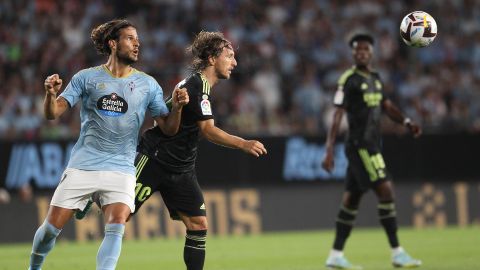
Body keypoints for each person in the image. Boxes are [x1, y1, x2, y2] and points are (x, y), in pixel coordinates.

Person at [90, 31, 265, 270]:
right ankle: (95, 193)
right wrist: (243, 143)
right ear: (212, 59)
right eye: (230, 56)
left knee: (198, 224)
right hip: (154, 160)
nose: (234, 63)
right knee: (121, 215)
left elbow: (168, 118)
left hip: (181, 168)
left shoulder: (196, 86)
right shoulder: (196, 86)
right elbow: (209, 130)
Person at [28, 19, 189, 270]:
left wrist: (177, 108)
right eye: (130, 38)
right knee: (51, 229)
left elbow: (168, 128)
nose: (137, 44)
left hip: (121, 167)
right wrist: (50, 94)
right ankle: (34, 267)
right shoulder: (87, 78)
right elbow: (52, 113)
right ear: (113, 44)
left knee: (117, 226)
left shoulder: (148, 84)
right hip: (84, 164)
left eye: (137, 39)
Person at [321, 33, 422, 269]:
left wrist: (406, 121)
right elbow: (337, 114)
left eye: (365, 50)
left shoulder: (376, 79)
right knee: (386, 191)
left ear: (372, 53)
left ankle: (335, 255)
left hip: (372, 144)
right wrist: (328, 150)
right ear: (353, 53)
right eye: (357, 50)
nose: (361, 53)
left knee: (351, 200)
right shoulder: (349, 79)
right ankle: (397, 252)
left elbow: (386, 106)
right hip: (360, 144)